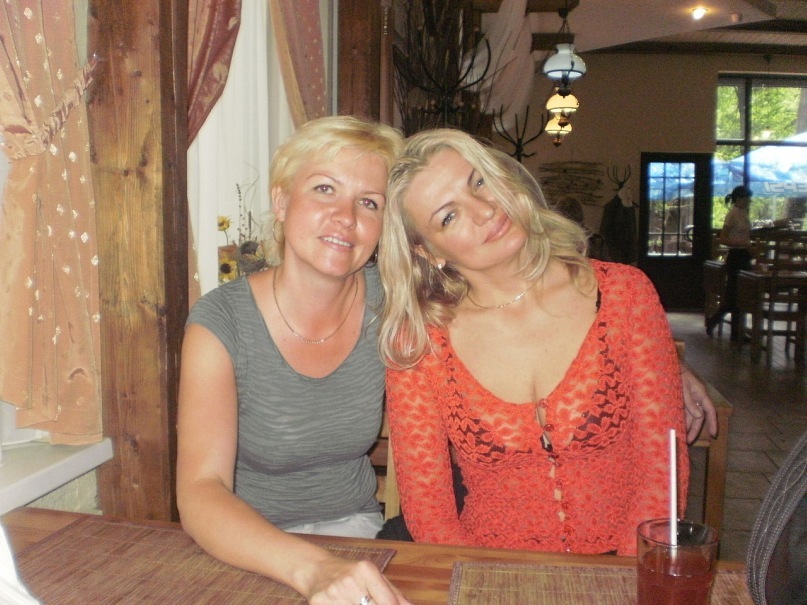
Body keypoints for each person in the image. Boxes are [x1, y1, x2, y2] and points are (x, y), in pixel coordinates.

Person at [377, 128, 690, 556]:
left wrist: (627, 576)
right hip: (489, 568)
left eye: (479, 182)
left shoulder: (624, 295)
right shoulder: (421, 344)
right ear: (429, 252)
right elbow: (429, 511)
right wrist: (478, 578)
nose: (485, 210)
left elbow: (663, 467)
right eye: (449, 216)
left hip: (624, 565)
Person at [176, 116, 411, 605]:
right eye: (325, 189)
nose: (346, 216)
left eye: (369, 202)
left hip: (355, 535)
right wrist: (315, 570)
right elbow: (200, 488)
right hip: (244, 543)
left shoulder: (395, 306)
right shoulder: (222, 321)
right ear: (282, 203)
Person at [706, 185, 753, 340]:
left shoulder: (744, 213)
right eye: (747, 198)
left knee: (741, 294)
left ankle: (735, 330)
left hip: (744, 255)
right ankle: (718, 322)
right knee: (734, 293)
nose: (749, 201)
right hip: (736, 256)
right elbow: (723, 238)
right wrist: (741, 243)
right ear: (739, 198)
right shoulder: (732, 214)